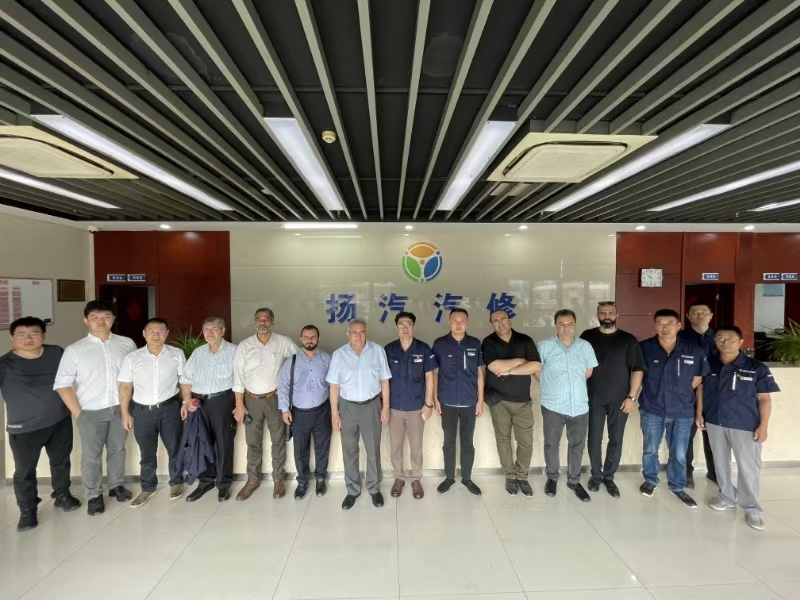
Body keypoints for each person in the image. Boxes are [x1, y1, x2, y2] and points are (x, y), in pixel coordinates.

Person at [55, 300, 137, 516]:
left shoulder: (126, 344)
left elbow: (134, 375)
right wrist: (78, 413)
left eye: (106, 316)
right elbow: (62, 384)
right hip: (90, 411)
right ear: (86, 321)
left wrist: (128, 408)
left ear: (113, 319)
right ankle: (94, 495)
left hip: (120, 408)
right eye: (95, 317)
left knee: (118, 449)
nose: (101, 321)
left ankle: (116, 485)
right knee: (91, 455)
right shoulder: (75, 350)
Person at [1, 317, 80, 532]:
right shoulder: (4, 364)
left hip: (59, 420)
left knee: (61, 461)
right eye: (21, 334)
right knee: (24, 470)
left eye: (34, 333)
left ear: (43, 335)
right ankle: (27, 509)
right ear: (12, 338)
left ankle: (62, 494)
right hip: (24, 428)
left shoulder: (56, 353)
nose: (28, 338)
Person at [698, 325, 779, 531]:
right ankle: (727, 496)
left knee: (748, 467)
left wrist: (764, 426)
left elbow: (764, 399)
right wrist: (699, 413)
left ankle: (752, 509)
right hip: (715, 421)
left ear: (741, 342)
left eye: (730, 338)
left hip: (745, 425)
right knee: (720, 463)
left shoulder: (756, 367)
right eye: (720, 338)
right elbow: (701, 388)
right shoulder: (709, 364)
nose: (724, 342)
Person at [638, 308, 709, 508]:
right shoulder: (644, 348)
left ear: (679, 325)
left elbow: (698, 379)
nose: (665, 327)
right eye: (660, 323)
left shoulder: (693, 350)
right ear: (655, 325)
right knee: (650, 449)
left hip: (682, 411)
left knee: (679, 452)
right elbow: (638, 375)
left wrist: (679, 393)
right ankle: (650, 480)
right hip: (652, 409)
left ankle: (677, 485)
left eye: (670, 323)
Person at [580, 301, 646, 498]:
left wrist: (631, 397)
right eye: (603, 313)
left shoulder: (628, 340)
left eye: (610, 312)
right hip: (593, 397)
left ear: (617, 315)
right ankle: (596, 476)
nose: (607, 315)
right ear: (597, 315)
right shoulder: (587, 337)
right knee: (594, 438)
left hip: (620, 399)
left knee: (616, 438)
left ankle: (609, 477)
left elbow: (637, 370)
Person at [118, 317, 186, 507]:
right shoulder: (132, 358)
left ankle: (176, 482)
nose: (156, 335)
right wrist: (125, 413)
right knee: (147, 453)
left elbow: (184, 381)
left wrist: (185, 402)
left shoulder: (176, 354)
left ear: (167, 333)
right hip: (142, 411)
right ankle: (148, 487)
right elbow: (125, 387)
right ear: (144, 334)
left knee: (175, 448)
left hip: (169, 408)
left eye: (161, 331)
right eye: (151, 331)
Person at [233, 308, 298, 501]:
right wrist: (239, 404)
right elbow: (238, 377)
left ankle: (278, 479)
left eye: (266, 319)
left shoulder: (283, 342)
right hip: (251, 400)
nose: (263, 322)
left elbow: (300, 360)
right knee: (253, 441)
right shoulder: (245, 346)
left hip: (275, 399)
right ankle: (253, 480)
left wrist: (288, 385)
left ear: (272, 322)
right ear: (255, 322)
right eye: (259, 319)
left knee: (278, 440)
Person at [327, 319, 392, 510]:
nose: (358, 335)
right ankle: (352, 490)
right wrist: (335, 413)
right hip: (347, 407)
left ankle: (374, 488)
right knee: (350, 450)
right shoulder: (339, 354)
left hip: (371, 406)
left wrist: (385, 407)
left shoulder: (377, 351)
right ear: (348, 334)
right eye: (354, 332)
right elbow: (334, 387)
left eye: (362, 332)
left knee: (373, 449)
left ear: (366, 333)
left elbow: (385, 382)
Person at [536, 309, 598, 502]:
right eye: (561, 324)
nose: (566, 328)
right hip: (552, 405)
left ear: (575, 325)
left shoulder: (585, 346)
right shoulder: (544, 346)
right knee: (551, 444)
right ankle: (552, 478)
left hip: (579, 406)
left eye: (570, 324)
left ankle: (574, 481)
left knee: (577, 445)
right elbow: (536, 371)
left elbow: (588, 372)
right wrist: (551, 386)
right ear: (555, 325)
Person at [482, 309, 541, 497]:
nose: (500, 323)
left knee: (526, 442)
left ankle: (522, 477)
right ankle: (510, 476)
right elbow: (493, 366)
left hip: (523, 401)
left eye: (503, 319)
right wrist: (522, 361)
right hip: (498, 400)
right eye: (495, 320)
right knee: (503, 440)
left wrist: (509, 370)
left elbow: (536, 366)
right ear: (492, 324)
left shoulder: (525, 340)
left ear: (510, 320)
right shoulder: (488, 342)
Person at [179, 317, 237, 502]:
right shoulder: (198, 352)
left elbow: (241, 380)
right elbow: (186, 379)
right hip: (199, 403)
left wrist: (239, 404)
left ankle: (223, 483)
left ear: (223, 331)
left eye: (214, 329)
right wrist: (187, 401)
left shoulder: (234, 351)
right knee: (201, 442)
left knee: (223, 444)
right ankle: (206, 481)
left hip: (222, 401)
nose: (209, 333)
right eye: (206, 330)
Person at [432, 308, 485, 497]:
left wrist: (480, 400)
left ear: (467, 323)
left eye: (462, 320)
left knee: (467, 442)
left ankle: (467, 478)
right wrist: (435, 398)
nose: (458, 324)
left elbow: (479, 373)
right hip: (447, 401)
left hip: (469, 401)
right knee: (448, 441)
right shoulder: (440, 344)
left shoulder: (475, 343)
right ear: (449, 322)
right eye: (455, 320)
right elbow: (435, 373)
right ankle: (449, 477)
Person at [385, 312, 437, 500]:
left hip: (417, 407)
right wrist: (385, 406)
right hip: (395, 408)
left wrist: (429, 404)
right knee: (395, 446)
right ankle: (398, 478)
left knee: (416, 447)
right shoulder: (389, 349)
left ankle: (416, 479)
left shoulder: (423, 349)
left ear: (414, 327)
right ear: (396, 327)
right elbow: (383, 380)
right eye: (401, 324)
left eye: (408, 324)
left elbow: (429, 377)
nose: (405, 328)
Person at [278, 325, 332, 500]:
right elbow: (283, 386)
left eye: (313, 337)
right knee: (300, 449)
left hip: (322, 410)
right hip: (299, 413)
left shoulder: (326, 359)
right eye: (306, 337)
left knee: (322, 447)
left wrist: (335, 409)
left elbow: (334, 386)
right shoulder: (291, 361)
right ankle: (302, 482)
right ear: (301, 339)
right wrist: (284, 409)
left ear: (318, 338)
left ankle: (320, 478)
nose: (309, 340)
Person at [679, 303, 717, 488]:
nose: (699, 315)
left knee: (714, 436)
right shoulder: (680, 338)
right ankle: (686, 473)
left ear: (711, 315)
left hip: (715, 393)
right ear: (688, 316)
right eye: (695, 312)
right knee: (686, 435)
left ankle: (715, 472)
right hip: (688, 391)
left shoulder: (720, 337)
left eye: (704, 312)